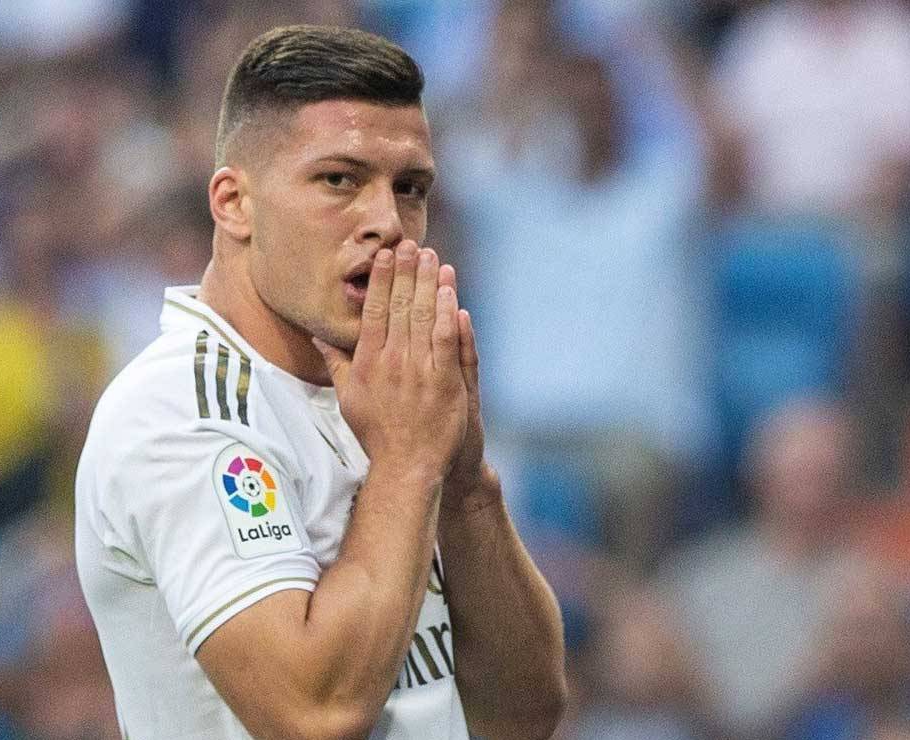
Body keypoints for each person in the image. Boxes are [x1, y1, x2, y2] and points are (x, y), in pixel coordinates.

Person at [73, 25, 567, 740]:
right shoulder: (177, 413)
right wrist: (408, 463)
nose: (388, 223)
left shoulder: (396, 394)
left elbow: (526, 714)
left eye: (410, 188)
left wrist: (464, 483)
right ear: (233, 203)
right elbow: (314, 716)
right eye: (340, 179)